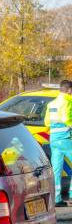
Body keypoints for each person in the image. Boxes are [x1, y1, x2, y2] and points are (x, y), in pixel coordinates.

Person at [43, 79, 72, 207]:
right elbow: (67, 119)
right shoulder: (68, 101)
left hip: (54, 140)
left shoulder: (52, 104)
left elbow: (46, 122)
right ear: (70, 90)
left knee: (56, 170)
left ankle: (57, 199)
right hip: (66, 139)